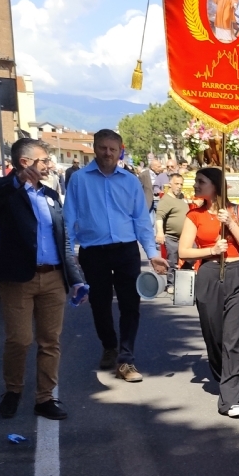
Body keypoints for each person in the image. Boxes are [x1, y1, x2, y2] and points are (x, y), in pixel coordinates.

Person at [0, 138, 86, 421]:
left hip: (53, 277)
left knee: (50, 341)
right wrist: (16, 181)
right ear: (25, 163)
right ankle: (13, 391)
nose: (49, 165)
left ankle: (45, 397)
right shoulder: (8, 194)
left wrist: (75, 278)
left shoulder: (51, 196)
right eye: (43, 160)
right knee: (19, 339)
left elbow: (63, 241)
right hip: (19, 279)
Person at [64, 129, 169, 382]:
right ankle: (109, 346)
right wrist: (69, 255)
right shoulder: (79, 180)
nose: (108, 153)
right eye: (103, 148)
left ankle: (126, 359)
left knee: (130, 305)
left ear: (120, 150)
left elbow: (141, 220)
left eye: (113, 149)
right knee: (100, 305)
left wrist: (152, 254)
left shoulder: (130, 181)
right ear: (95, 147)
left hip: (126, 251)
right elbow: (69, 218)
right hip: (93, 252)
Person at [177, 167, 239, 418]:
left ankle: (231, 399)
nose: (196, 186)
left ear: (215, 185)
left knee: (235, 338)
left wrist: (231, 224)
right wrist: (211, 250)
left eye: (201, 182)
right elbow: (183, 252)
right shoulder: (194, 215)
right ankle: (225, 374)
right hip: (209, 275)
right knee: (215, 336)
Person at [155, 173, 189, 292]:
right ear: (170, 184)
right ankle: (171, 284)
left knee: (191, 257)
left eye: (181, 184)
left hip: (184, 236)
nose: (179, 186)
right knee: (172, 260)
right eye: (176, 184)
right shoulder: (166, 200)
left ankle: (186, 282)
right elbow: (159, 217)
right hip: (171, 237)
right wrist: (160, 232)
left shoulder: (181, 197)